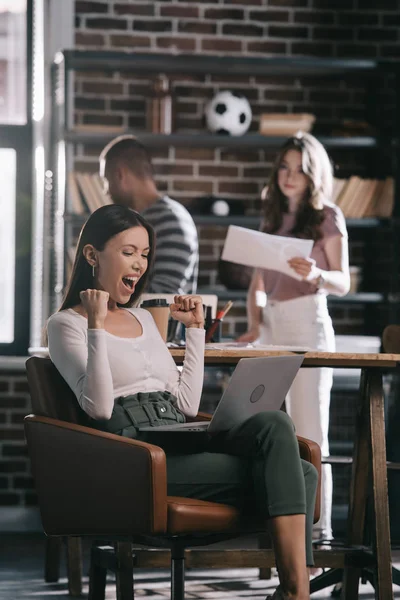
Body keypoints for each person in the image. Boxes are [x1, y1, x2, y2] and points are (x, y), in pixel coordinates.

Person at [47, 204, 317, 600]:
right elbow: (100, 408)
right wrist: (96, 324)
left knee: (274, 424)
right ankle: (296, 592)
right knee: (301, 477)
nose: (139, 265)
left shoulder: (142, 319)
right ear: (92, 255)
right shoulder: (65, 325)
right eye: (128, 252)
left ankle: (293, 590)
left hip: (178, 435)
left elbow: (187, 405)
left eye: (144, 254)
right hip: (136, 455)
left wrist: (195, 332)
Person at [238, 133, 350, 543]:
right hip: (272, 324)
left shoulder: (328, 216)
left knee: (310, 430)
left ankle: (319, 530)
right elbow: (257, 283)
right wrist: (254, 323)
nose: (289, 176)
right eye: (284, 167)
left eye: (299, 169)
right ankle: (274, 524)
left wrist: (316, 274)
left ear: (312, 174)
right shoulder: (271, 218)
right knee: (262, 424)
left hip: (308, 322)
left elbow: (343, 281)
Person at [99, 134, 198, 295]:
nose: (105, 190)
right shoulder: (145, 220)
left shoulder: (171, 220)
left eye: (106, 180)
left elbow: (163, 298)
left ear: (120, 175)